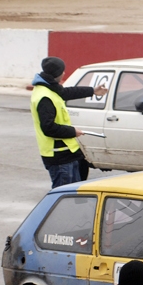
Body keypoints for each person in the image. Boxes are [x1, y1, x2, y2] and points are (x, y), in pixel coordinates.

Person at [30, 56, 108, 188]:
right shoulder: (45, 97)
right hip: (59, 156)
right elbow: (48, 128)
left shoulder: (50, 88)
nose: (64, 73)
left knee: (73, 195)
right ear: (56, 74)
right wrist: (73, 131)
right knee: (63, 197)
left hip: (67, 153)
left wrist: (93, 91)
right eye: (62, 71)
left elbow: (67, 92)